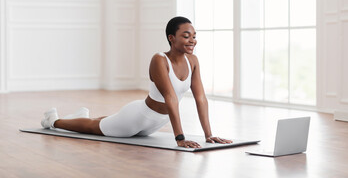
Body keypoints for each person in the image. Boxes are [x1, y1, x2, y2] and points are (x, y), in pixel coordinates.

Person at [41, 16, 232, 148]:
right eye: (186, 35)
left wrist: (209, 135)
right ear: (171, 38)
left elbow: (201, 99)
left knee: (105, 121)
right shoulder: (159, 59)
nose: (192, 40)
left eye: (194, 36)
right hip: (139, 117)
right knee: (93, 128)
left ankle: (78, 116)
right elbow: (170, 97)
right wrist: (180, 138)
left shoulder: (193, 61)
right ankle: (53, 120)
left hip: (156, 123)